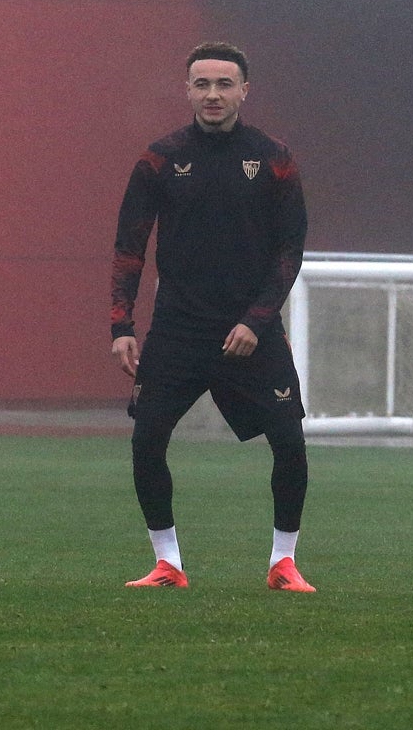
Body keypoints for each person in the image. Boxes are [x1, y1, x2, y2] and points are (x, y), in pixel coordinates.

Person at [109, 41, 315, 592]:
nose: (213, 95)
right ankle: (167, 563)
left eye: (224, 84)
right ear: (188, 90)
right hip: (177, 328)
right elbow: (130, 246)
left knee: (289, 441)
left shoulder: (274, 158)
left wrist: (256, 320)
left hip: (252, 329)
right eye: (202, 84)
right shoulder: (159, 159)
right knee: (147, 439)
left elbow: (290, 252)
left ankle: (284, 563)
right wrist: (122, 326)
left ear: (245, 91)